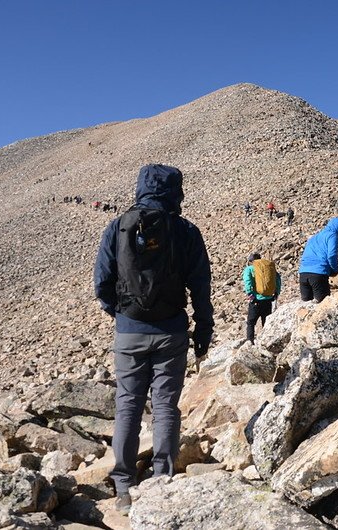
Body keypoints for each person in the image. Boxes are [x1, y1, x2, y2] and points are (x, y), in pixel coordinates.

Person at [94, 164, 214, 516]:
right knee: (164, 406)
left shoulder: (117, 227)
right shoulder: (186, 231)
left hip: (129, 331)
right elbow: (201, 287)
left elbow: (102, 283)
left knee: (128, 405)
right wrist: (203, 328)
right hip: (172, 332)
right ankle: (163, 479)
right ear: (176, 192)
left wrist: (121, 314)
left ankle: (124, 486)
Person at [298, 217, 338, 303]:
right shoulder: (332, 236)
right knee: (324, 305)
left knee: (307, 306)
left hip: (303, 274)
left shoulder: (314, 237)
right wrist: (334, 269)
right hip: (318, 274)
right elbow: (332, 255)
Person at [242, 253, 281, 344]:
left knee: (251, 323)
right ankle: (266, 342)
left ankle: (250, 342)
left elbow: (247, 282)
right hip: (268, 299)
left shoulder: (249, 269)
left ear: (251, 261)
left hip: (256, 300)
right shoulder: (268, 268)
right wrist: (276, 293)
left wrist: (250, 294)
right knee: (266, 322)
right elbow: (278, 279)